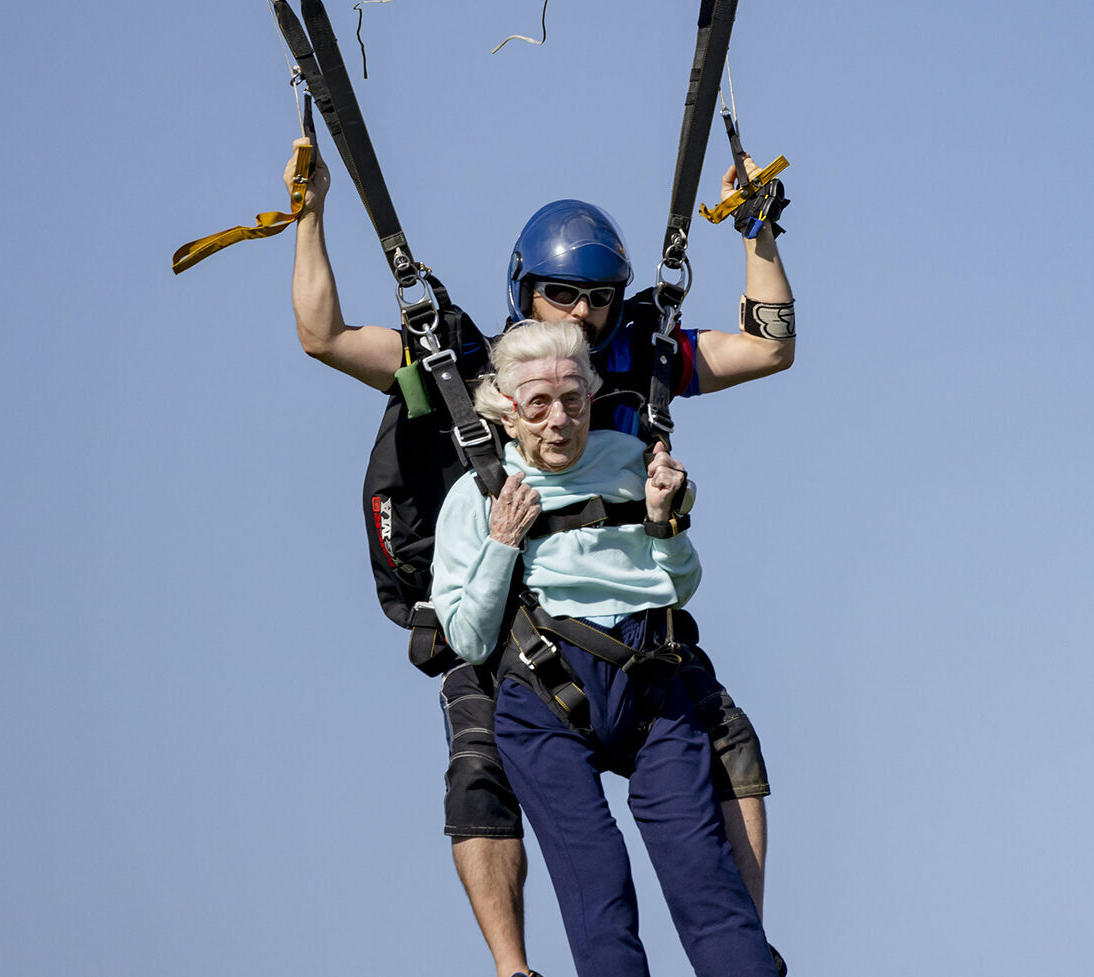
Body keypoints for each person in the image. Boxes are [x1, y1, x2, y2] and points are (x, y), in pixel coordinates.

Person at [284, 137, 795, 977]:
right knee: (481, 768)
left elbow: (768, 346)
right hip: (505, 616)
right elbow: (324, 335)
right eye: (562, 295)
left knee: (728, 738)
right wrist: (312, 216)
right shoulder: (470, 366)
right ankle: (513, 968)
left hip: (626, 606)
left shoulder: (638, 359)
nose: (581, 316)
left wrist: (756, 232)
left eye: (598, 299)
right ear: (526, 293)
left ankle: (738, 945)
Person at [431, 319, 777, 977]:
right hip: (541, 702)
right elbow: (469, 638)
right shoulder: (475, 498)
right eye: (538, 405)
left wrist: (660, 520)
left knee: (705, 876)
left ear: (591, 396)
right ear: (507, 411)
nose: (558, 420)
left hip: (650, 690)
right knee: (598, 884)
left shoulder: (629, 461)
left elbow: (681, 582)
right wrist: (503, 540)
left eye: (573, 400)